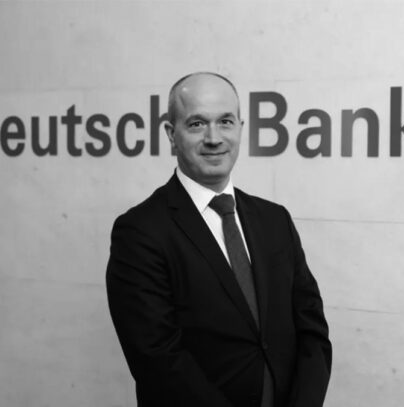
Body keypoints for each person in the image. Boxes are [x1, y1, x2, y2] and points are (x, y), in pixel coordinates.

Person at [106, 72, 332, 407]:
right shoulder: (140, 232)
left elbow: (312, 329)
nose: (214, 138)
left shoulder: (275, 220)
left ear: (240, 128)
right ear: (171, 134)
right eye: (197, 124)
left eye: (225, 121)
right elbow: (158, 360)